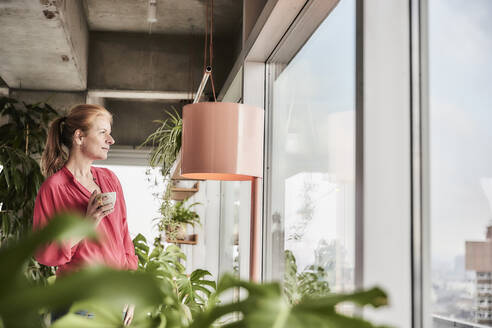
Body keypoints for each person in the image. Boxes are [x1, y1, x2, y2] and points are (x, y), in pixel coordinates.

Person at [33, 104, 138, 326]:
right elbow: (45, 253)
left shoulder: (109, 179)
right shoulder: (54, 188)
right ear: (79, 137)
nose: (111, 140)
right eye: (103, 133)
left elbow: (124, 238)